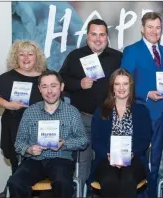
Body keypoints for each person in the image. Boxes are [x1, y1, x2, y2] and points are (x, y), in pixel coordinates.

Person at [59, 18, 123, 187]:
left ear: (107, 37)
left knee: (109, 162)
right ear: (87, 36)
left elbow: (128, 83)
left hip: (110, 119)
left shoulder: (118, 57)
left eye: (102, 34)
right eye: (93, 34)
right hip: (82, 119)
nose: (97, 38)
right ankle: (81, 192)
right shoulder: (75, 56)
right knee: (82, 163)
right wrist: (79, 83)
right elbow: (61, 80)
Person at [6, 70, 88, 198]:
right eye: (44, 86)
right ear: (39, 89)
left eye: (53, 86)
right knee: (15, 182)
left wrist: (64, 144)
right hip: (34, 160)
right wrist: (29, 149)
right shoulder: (30, 112)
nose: (49, 91)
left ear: (61, 87)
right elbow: (19, 142)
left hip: (61, 159)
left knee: (63, 183)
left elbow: (83, 141)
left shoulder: (72, 112)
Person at [120, 12, 163, 197]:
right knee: (140, 157)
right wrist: (146, 94)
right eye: (150, 27)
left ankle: (153, 193)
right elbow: (124, 83)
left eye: (158, 27)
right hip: (141, 111)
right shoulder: (131, 50)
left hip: (162, 113)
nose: (154, 31)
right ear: (142, 29)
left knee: (156, 159)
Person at [0, 40, 47, 174]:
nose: (26, 58)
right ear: (15, 57)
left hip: (42, 131)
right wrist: (7, 104)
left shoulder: (47, 76)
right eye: (21, 54)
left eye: (30, 54)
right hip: (14, 129)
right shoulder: (7, 78)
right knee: (18, 171)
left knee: (44, 169)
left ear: (37, 57)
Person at [88, 69, 152, 198]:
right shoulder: (101, 111)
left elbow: (145, 139)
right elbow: (96, 140)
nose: (121, 88)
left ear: (131, 86)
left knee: (128, 179)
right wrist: (108, 155)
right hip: (106, 159)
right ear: (112, 87)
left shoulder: (141, 110)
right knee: (109, 180)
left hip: (134, 159)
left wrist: (132, 153)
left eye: (125, 84)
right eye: (117, 84)